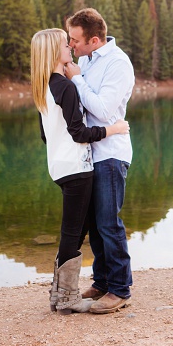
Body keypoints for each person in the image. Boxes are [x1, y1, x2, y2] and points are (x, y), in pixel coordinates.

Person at [30, 28, 129, 314]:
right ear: (52, 52)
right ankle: (66, 298)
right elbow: (79, 132)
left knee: (78, 229)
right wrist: (114, 129)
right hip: (77, 168)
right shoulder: (65, 86)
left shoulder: (45, 85)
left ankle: (60, 294)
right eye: (64, 44)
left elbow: (46, 136)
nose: (70, 48)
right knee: (74, 232)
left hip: (59, 167)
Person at [64, 7, 136, 314]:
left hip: (111, 154)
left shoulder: (118, 64)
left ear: (94, 39)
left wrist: (78, 80)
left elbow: (105, 111)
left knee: (109, 222)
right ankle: (103, 280)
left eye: (75, 40)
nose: (71, 45)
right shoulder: (84, 59)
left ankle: (120, 289)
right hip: (90, 153)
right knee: (95, 224)